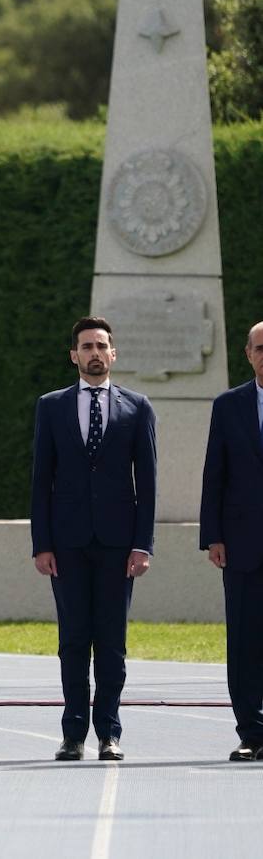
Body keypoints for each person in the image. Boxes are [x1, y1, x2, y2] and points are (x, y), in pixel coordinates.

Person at [31, 316, 155, 762]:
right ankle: (72, 734)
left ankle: (109, 732)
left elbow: (149, 483)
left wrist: (143, 544)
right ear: (74, 355)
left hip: (119, 545)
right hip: (66, 543)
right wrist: (41, 543)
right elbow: (40, 479)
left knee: (111, 642)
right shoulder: (51, 406)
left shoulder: (137, 407)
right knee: (72, 641)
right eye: (87, 346)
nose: (95, 353)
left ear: (113, 353)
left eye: (102, 345)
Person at [200, 320, 263, 761]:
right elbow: (214, 476)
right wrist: (213, 536)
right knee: (243, 641)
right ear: (248, 354)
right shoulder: (228, 406)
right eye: (261, 348)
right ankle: (252, 733)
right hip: (242, 544)